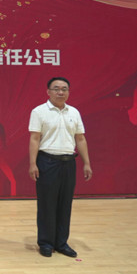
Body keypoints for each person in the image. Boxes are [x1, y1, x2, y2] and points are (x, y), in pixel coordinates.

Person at [28, 77, 93, 258]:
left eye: (64, 89)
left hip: (68, 162)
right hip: (47, 162)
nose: (60, 92)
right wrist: (33, 163)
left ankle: (61, 243)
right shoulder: (39, 112)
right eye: (56, 88)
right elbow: (34, 138)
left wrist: (87, 163)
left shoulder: (74, 112)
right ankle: (46, 243)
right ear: (48, 91)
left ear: (68, 92)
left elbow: (80, 139)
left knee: (65, 204)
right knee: (47, 204)